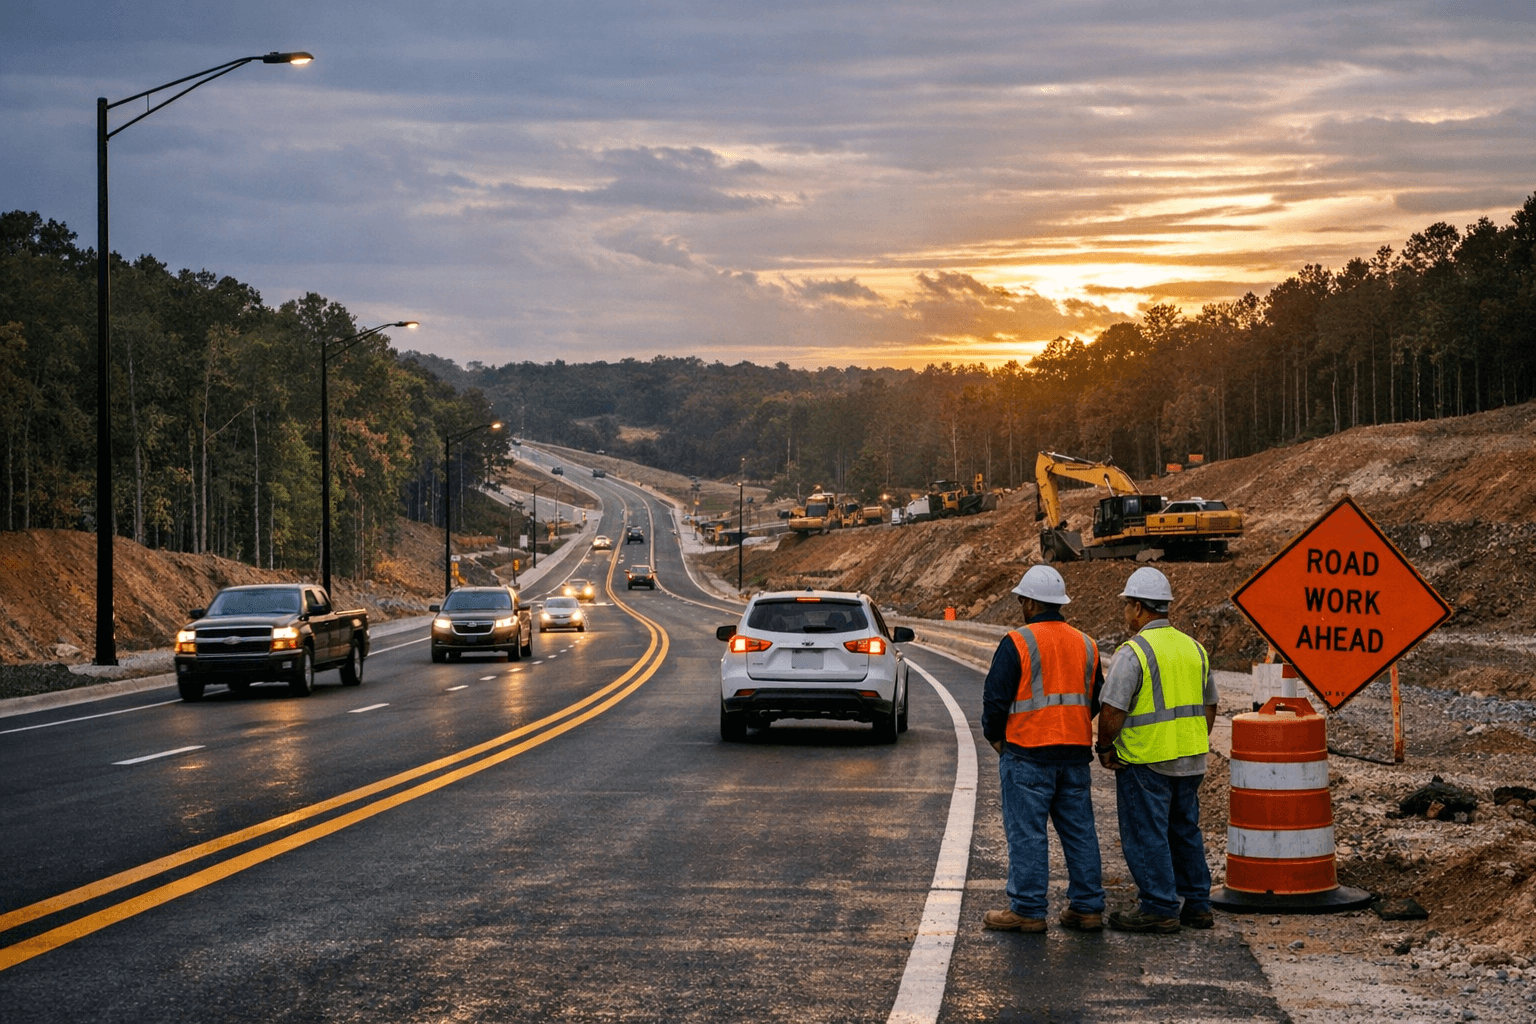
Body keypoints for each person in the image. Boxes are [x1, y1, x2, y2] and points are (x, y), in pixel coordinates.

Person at [980, 564, 1106, 933]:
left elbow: (995, 700)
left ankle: (1028, 909)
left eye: (1022, 599)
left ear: (1031, 603)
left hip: (1027, 752)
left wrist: (997, 738)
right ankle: (1087, 907)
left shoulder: (1017, 641)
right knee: (1080, 832)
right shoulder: (1087, 643)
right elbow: (1094, 698)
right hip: (1074, 754)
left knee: (1027, 834)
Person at [1096, 566, 1219, 934]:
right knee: (1184, 830)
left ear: (1137, 608)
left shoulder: (1134, 652)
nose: (1125, 613)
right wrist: (1193, 740)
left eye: (1126, 606)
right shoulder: (1194, 649)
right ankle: (1197, 904)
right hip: (1191, 759)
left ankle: (1159, 905)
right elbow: (1210, 705)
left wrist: (1105, 748)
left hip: (1147, 759)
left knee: (1145, 832)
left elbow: (1112, 710)